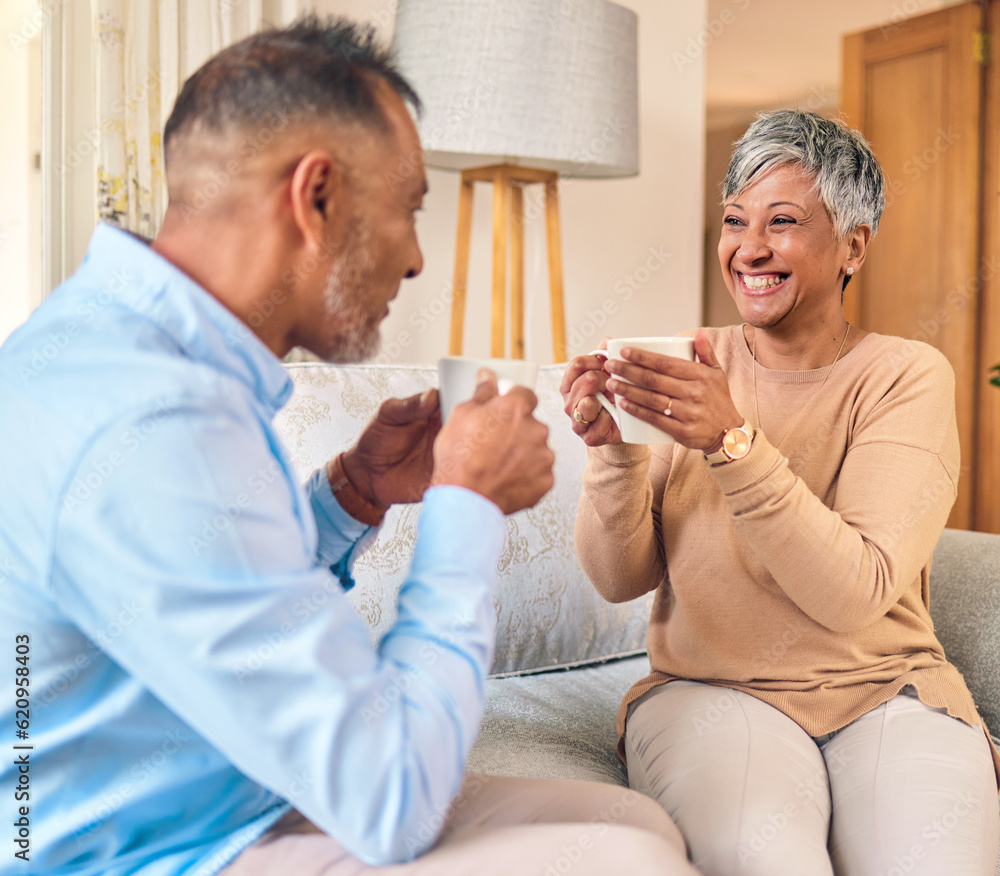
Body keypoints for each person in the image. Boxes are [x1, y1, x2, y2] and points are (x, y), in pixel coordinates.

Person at [0, 16, 699, 876]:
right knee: (628, 864)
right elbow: (390, 800)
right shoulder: (153, 418)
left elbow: (217, 597)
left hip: (226, 789)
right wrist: (468, 503)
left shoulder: (136, 348)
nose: (412, 259)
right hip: (150, 851)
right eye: (408, 210)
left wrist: (351, 494)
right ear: (316, 196)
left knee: (632, 826)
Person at [560, 108, 1000, 876]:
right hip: (711, 689)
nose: (749, 248)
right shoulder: (689, 362)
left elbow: (852, 592)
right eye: (735, 221)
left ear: (853, 245)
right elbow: (618, 578)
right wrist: (613, 454)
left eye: (783, 221)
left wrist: (733, 445)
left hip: (886, 689)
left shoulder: (904, 376)